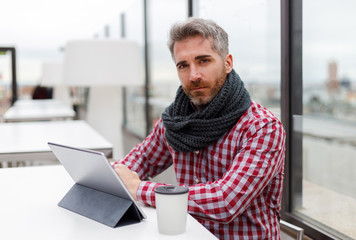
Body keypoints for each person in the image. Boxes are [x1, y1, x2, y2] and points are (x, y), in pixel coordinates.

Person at [114, 17, 286, 240]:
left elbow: (226, 201)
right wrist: (110, 177)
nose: (193, 75)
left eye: (203, 61)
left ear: (227, 63)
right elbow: (142, 159)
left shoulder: (262, 127)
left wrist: (139, 189)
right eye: (183, 65)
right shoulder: (176, 119)